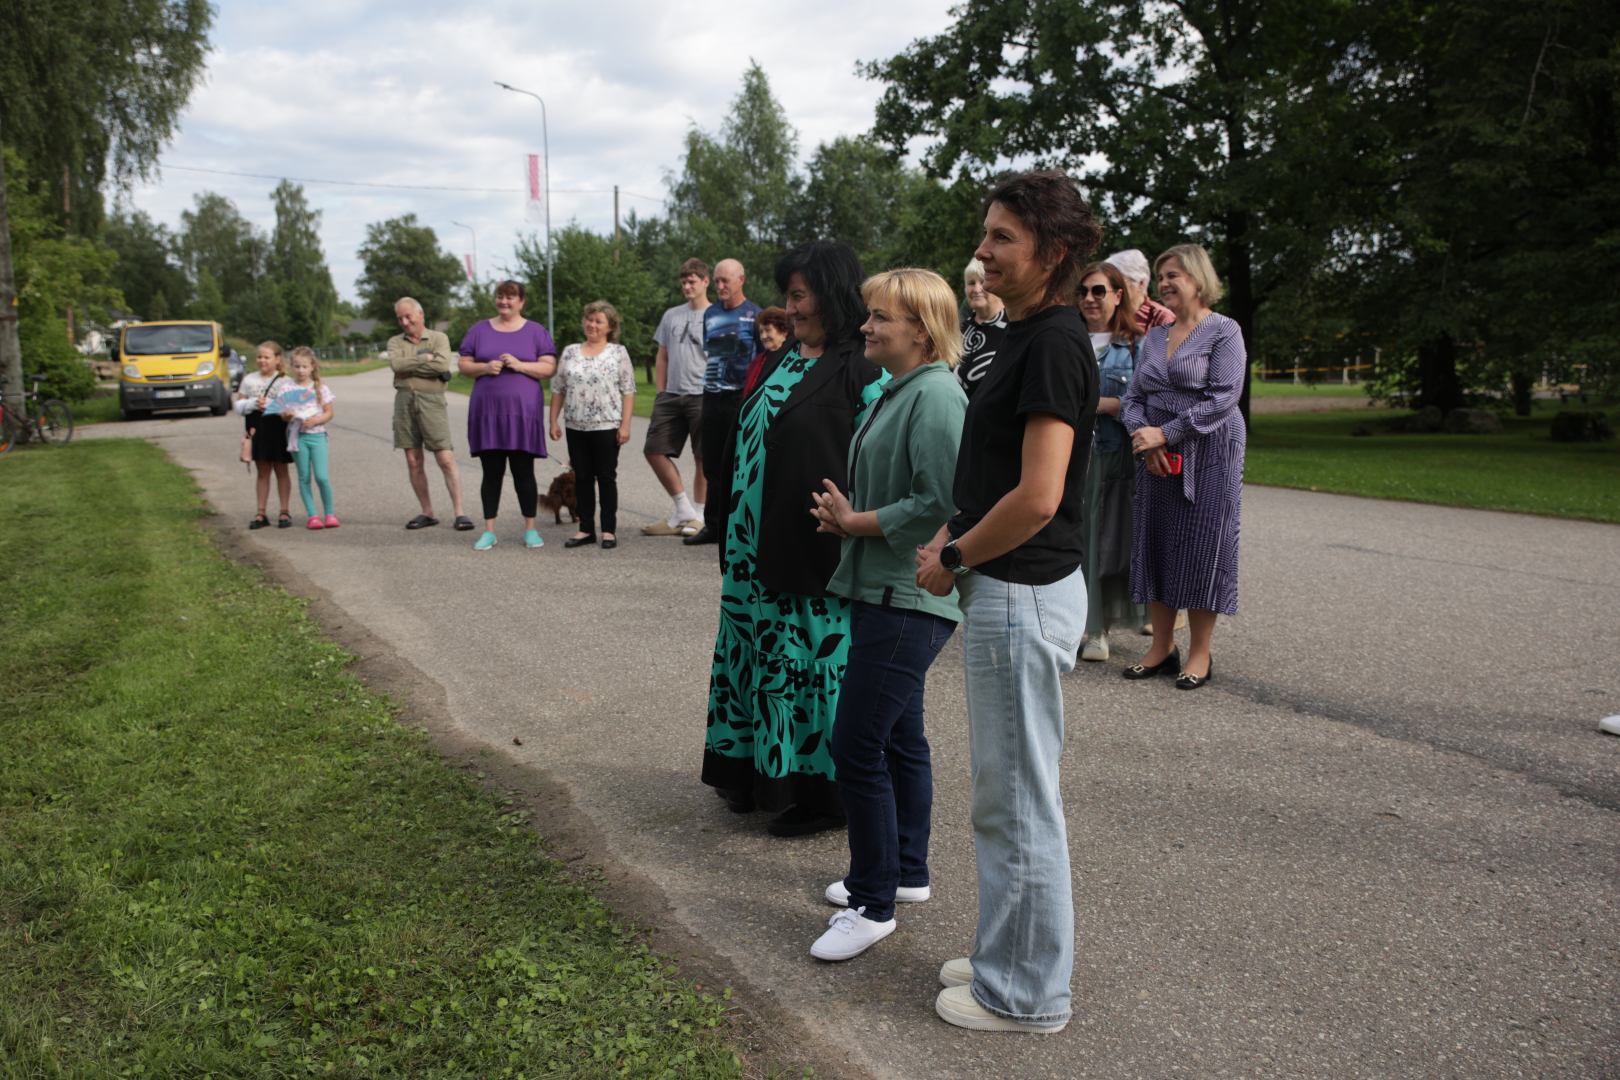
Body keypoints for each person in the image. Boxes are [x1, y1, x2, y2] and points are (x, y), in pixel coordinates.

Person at [914, 170, 1100, 1034]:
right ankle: (1008, 954)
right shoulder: (1022, 334)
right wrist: (954, 536)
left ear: (1052, 254)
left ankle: (1026, 995)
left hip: (1021, 591)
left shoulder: (1055, 344)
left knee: (1018, 799)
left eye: (1002, 238)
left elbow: (1037, 497)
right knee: (1005, 793)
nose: (982, 252)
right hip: (1008, 587)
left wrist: (953, 555)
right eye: (985, 234)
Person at [805, 268, 967, 962]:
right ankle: (904, 872)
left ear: (922, 332)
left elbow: (941, 502)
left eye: (880, 317)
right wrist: (848, 520)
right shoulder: (898, 389)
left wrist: (856, 521)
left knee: (856, 744)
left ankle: (872, 904)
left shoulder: (936, 395)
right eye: (868, 314)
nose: (865, 326)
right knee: (900, 737)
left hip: (909, 597)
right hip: (886, 591)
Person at [702, 240, 885, 837]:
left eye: (800, 295)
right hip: (752, 548)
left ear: (832, 296)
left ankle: (823, 795)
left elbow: (879, 461)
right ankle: (750, 770)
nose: (790, 307)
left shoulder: (862, 367)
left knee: (806, 663)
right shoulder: (785, 357)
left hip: (810, 549)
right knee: (751, 654)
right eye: (788, 295)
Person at [1119, 244, 1246, 691]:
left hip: (1210, 451)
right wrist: (1144, 438)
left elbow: (1224, 397)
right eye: (1160, 276)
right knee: (1156, 541)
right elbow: (1133, 398)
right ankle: (1161, 647)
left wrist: (1167, 434)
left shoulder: (1224, 331)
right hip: (1155, 454)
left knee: (1203, 546)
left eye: (1173, 274)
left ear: (1197, 278)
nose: (1164, 283)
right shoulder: (1156, 336)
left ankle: (1199, 653)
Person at [1077, 262, 1150, 662]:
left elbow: (1148, 404)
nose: (1090, 298)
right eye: (1083, 291)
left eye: (1099, 290)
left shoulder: (1136, 346)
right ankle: (1072, 623)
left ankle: (1098, 630)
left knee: (1104, 543)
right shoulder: (1067, 340)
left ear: (1119, 295)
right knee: (1073, 542)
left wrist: (1104, 405)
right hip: (1067, 458)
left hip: (1112, 458)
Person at [459, 279, 557, 551]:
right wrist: (483, 368)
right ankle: (489, 531)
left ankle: (531, 529)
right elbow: (464, 364)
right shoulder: (479, 330)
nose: (504, 301)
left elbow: (549, 368)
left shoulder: (536, 331)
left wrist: (520, 365)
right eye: (500, 296)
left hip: (522, 415)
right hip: (488, 414)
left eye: (510, 297)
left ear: (521, 301)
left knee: (524, 472)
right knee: (491, 473)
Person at [548, 300, 637, 550]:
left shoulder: (618, 352)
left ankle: (608, 530)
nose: (592, 324)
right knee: (583, 478)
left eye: (598, 321)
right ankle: (586, 529)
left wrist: (625, 425)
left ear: (610, 326)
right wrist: (553, 421)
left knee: (606, 478)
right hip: (575, 426)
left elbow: (629, 391)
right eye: (589, 319)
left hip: (607, 426)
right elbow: (558, 389)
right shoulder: (570, 352)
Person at [684, 258, 760, 547]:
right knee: (712, 464)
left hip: (739, 397)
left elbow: (763, 357)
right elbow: (711, 352)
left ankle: (737, 528)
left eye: (725, 280)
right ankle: (713, 526)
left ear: (741, 280)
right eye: (716, 281)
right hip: (711, 395)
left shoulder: (755, 315)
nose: (719, 286)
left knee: (738, 463)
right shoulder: (711, 313)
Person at [388, 296, 471, 532]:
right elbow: (396, 366)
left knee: (445, 457)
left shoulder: (438, 338)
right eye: (400, 318)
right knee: (413, 460)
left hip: (432, 400)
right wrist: (425, 358)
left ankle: (460, 513)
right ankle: (428, 512)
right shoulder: (395, 342)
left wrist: (409, 367)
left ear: (420, 314)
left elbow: (441, 366)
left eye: (408, 316)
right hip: (404, 401)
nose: (405, 322)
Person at [641, 259, 710, 537]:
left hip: (703, 394)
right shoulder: (671, 315)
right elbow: (662, 356)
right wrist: (661, 392)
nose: (687, 286)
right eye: (683, 282)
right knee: (653, 450)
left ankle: (701, 514)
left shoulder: (716, 315)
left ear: (705, 282)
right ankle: (683, 510)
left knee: (702, 457)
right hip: (671, 394)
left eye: (692, 281)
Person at [277, 347, 339, 530]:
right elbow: (283, 415)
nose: (300, 370)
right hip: (298, 437)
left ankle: (330, 513)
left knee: (321, 476)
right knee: (304, 476)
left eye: (304, 366)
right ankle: (313, 516)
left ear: (312, 366)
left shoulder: (320, 388)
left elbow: (329, 413)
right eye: (297, 366)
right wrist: (288, 415)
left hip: (318, 436)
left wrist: (316, 420)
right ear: (291, 366)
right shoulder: (286, 388)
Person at [235, 340, 292, 530]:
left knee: (281, 470)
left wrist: (271, 404)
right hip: (257, 429)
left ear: (277, 359)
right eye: (259, 357)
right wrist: (252, 403)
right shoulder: (249, 379)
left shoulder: (285, 381)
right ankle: (261, 513)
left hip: (279, 430)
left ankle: (284, 511)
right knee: (263, 471)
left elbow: (291, 407)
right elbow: (238, 406)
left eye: (266, 357)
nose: (262, 360)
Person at [958, 258, 1008, 399]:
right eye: (971, 283)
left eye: (983, 281)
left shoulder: (1014, 329)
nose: (977, 289)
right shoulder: (958, 331)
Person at [1106, 249, 1176, 332]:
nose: (1110, 288)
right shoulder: (1107, 315)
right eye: (1108, 282)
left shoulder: (1161, 318)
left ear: (1140, 284)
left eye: (1118, 282)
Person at [739, 306, 791, 398]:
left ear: (785, 330)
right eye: (761, 332)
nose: (763, 336)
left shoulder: (794, 359)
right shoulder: (757, 361)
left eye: (768, 330)